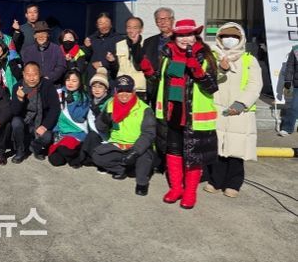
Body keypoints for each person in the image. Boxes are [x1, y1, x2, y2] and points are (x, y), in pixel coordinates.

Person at [139, 19, 219, 209]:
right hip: (171, 113)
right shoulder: (167, 55)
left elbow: (211, 87)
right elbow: (159, 81)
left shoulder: (206, 56)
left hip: (193, 116)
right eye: (181, 35)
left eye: (189, 34)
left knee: (193, 155)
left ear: (196, 36)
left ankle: (190, 192)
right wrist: (148, 70)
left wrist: (196, 68)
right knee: (173, 151)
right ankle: (176, 188)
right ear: (174, 38)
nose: (185, 39)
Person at [205, 23, 262, 198]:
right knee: (218, 148)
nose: (229, 40)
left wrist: (241, 104)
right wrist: (221, 69)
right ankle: (216, 180)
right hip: (218, 109)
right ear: (219, 38)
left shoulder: (249, 60)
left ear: (241, 39)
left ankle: (233, 183)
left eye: (234, 37)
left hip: (240, 111)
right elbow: (207, 79)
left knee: (237, 150)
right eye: (225, 36)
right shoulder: (213, 57)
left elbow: (255, 85)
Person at [92, 75, 156, 196]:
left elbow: (149, 133)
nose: (124, 94)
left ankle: (142, 183)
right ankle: (122, 169)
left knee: (144, 157)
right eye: (121, 90)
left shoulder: (144, 109)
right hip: (118, 144)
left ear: (133, 91)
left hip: (137, 146)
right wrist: (104, 120)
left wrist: (135, 151)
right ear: (116, 91)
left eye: (128, 90)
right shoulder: (110, 104)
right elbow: (100, 128)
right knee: (97, 156)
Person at [9, 62, 61, 163]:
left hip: (41, 121)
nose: (31, 78)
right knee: (16, 122)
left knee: (47, 137)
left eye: (35, 75)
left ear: (40, 74)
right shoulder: (17, 87)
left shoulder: (47, 85)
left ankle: (35, 147)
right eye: (28, 75)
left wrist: (45, 125)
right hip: (25, 121)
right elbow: (15, 112)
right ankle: (20, 151)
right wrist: (20, 99)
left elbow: (55, 108)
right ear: (23, 74)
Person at [48, 69, 90, 168]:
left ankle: (77, 156)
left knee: (64, 149)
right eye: (68, 80)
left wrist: (71, 103)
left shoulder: (84, 97)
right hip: (62, 133)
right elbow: (55, 114)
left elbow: (78, 118)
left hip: (77, 132)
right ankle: (72, 154)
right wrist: (55, 130)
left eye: (74, 81)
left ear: (80, 82)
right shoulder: (60, 93)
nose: (70, 83)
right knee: (55, 160)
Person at [139, 7, 175, 106]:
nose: (162, 22)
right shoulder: (149, 41)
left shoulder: (180, 40)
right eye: (159, 20)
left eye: (166, 19)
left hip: (173, 85)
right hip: (154, 85)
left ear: (172, 20)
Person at [82, 68, 111, 165]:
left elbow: (108, 125)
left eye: (100, 87)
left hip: (106, 137)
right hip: (93, 134)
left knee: (92, 136)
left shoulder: (110, 102)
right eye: (94, 86)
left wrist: (99, 114)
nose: (96, 90)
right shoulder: (91, 101)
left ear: (106, 89)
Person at [82, 12, 122, 81]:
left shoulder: (118, 39)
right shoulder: (91, 39)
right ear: (97, 25)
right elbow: (86, 58)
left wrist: (103, 63)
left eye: (106, 22)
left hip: (110, 77)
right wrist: (87, 47)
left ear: (111, 24)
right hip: (93, 76)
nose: (104, 26)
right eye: (100, 23)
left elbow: (120, 59)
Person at [115, 17, 146, 100]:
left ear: (141, 29)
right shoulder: (119, 45)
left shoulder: (146, 44)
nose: (131, 30)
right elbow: (115, 67)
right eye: (129, 27)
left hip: (140, 88)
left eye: (135, 28)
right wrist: (112, 62)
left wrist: (135, 45)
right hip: (122, 87)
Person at [281, 43, 298, 136]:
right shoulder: (296, 49)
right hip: (297, 85)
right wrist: (288, 80)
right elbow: (290, 66)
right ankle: (287, 128)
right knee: (294, 107)